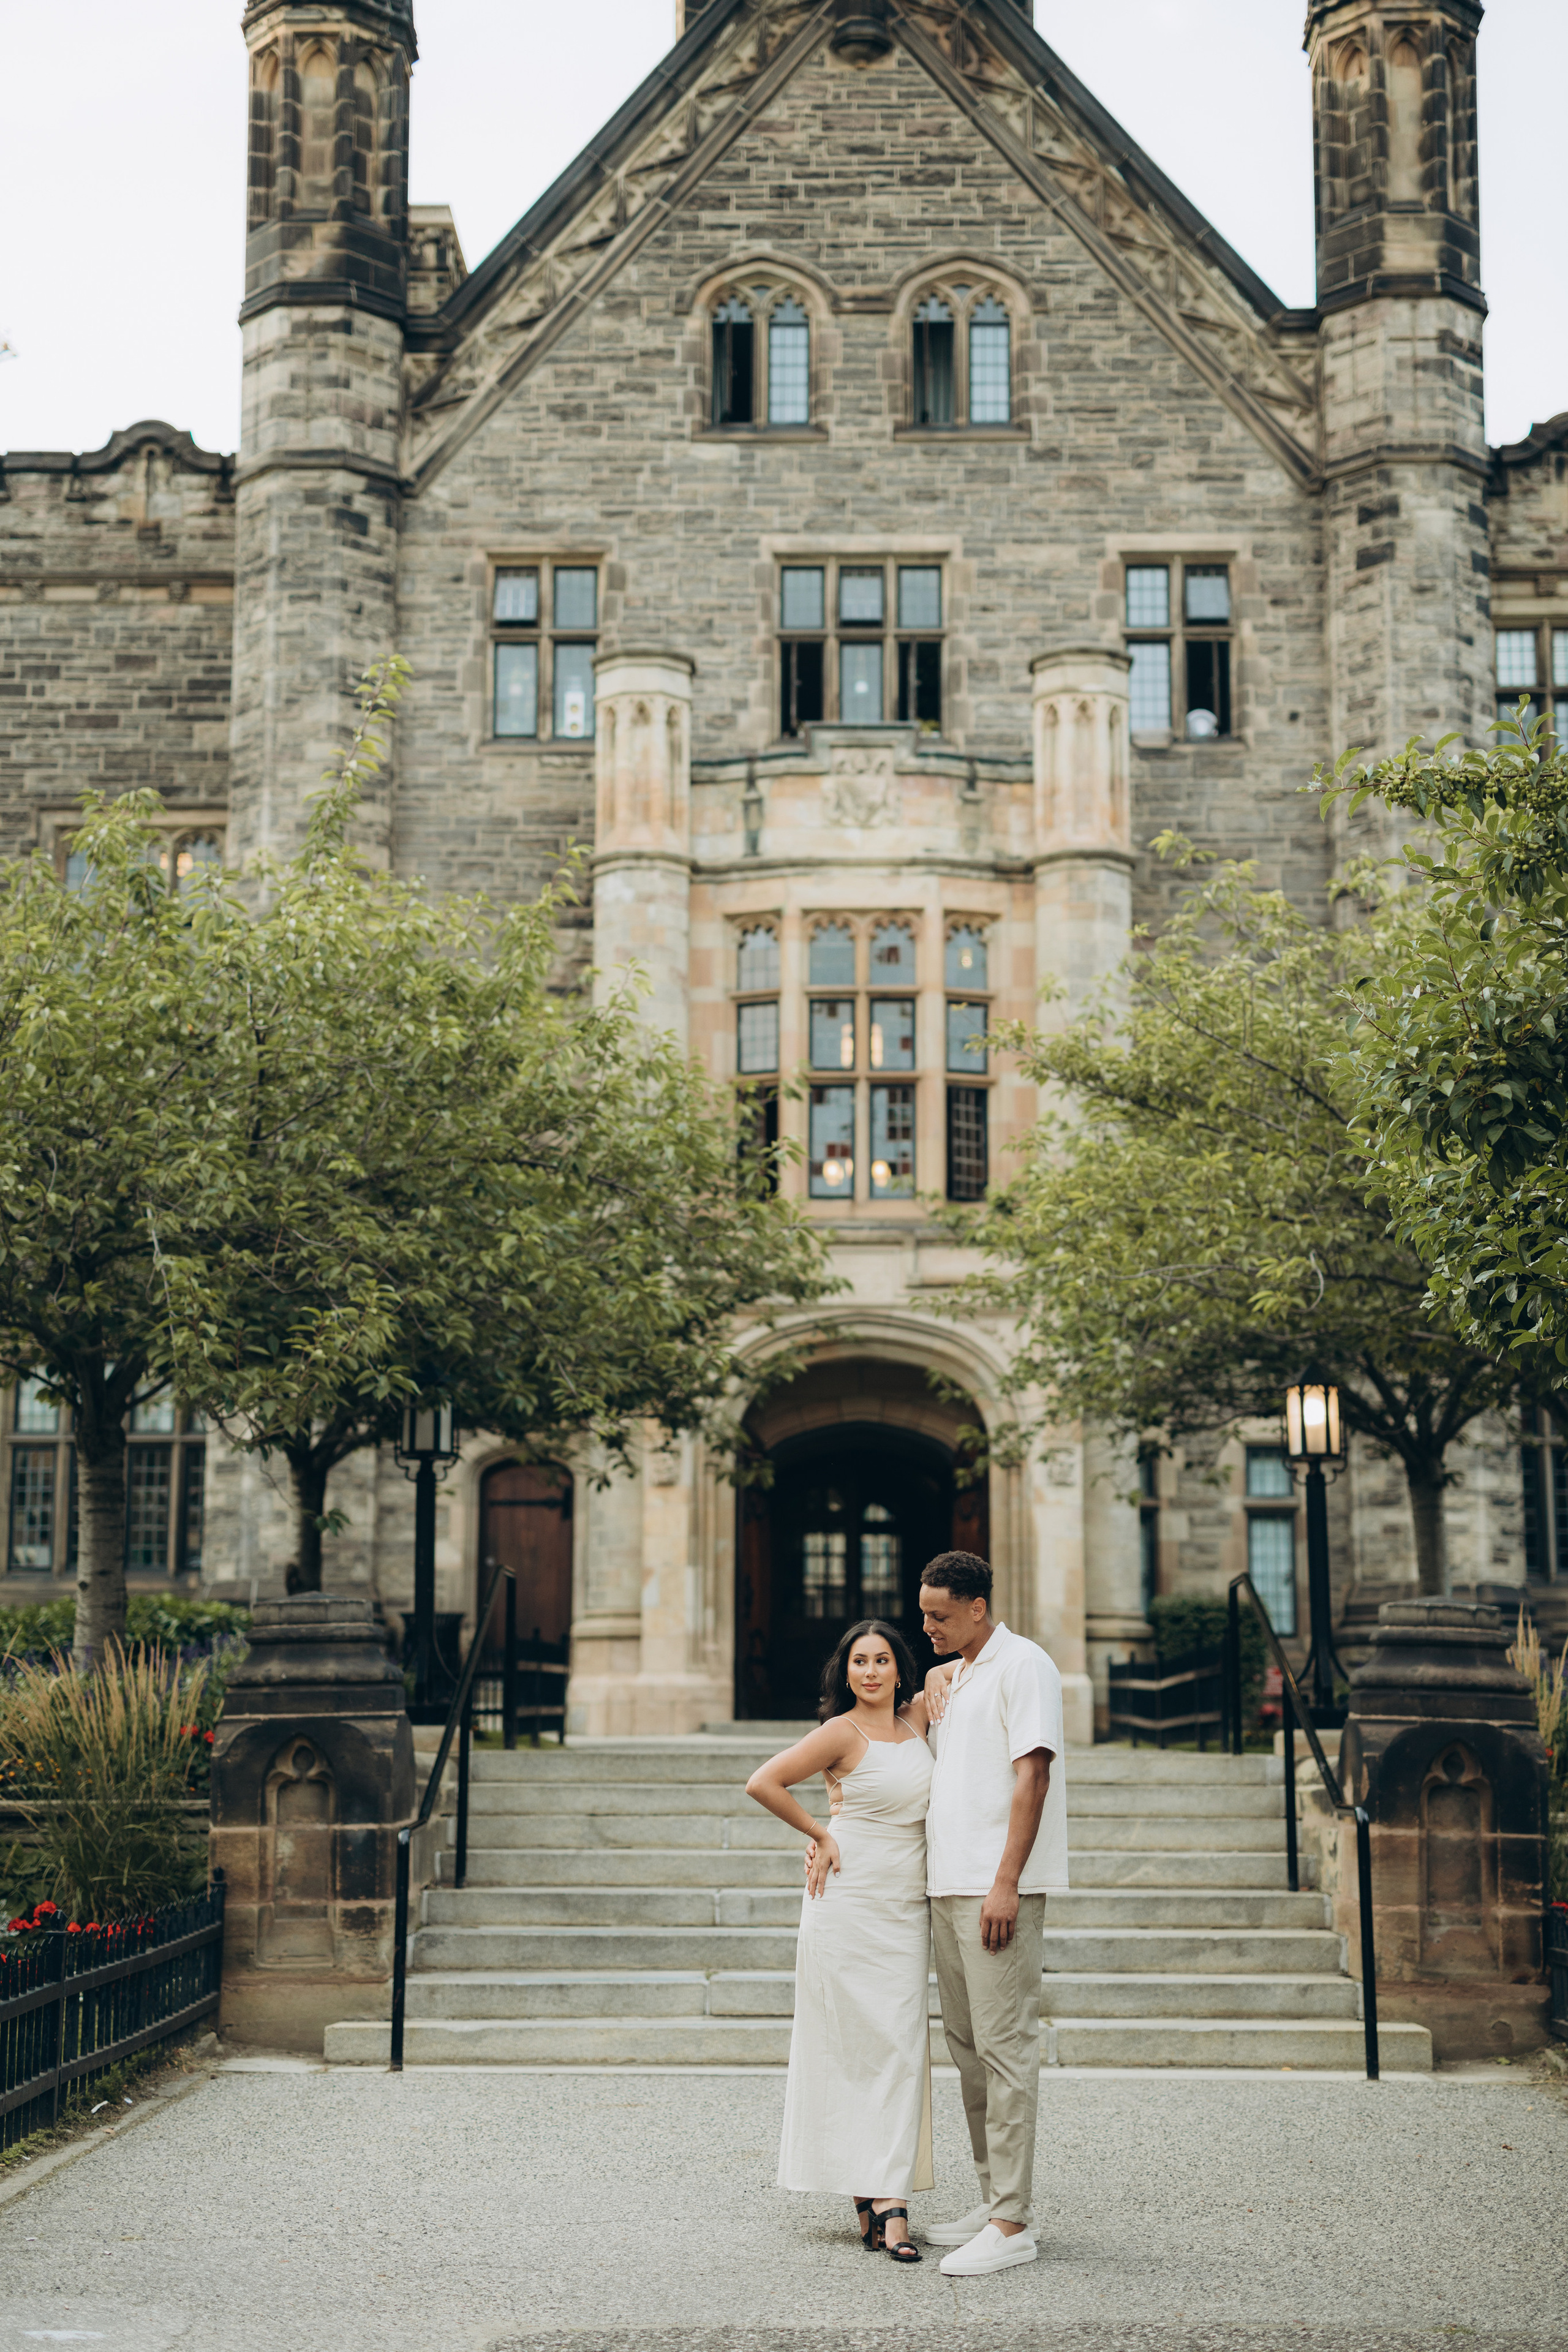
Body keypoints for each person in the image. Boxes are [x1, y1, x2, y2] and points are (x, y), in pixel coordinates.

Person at [745, 1619, 945, 2264]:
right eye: (859, 1661)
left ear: (898, 1668)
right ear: (845, 1670)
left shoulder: (918, 1720)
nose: (870, 1672)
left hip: (905, 1905)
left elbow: (956, 1668)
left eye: (882, 1660)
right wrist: (821, 1832)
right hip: (847, 1900)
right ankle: (888, 2201)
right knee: (853, 2049)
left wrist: (936, 1673)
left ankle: (879, 2188)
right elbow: (763, 1782)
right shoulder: (840, 1731)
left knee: (900, 2048)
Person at [917, 1550, 1068, 2277]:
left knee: (1005, 2050)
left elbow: (1031, 1774)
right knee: (967, 2048)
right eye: (923, 1615)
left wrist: (1006, 1882)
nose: (927, 1627)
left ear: (977, 1607)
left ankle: (1013, 2223)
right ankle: (990, 2198)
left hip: (993, 1887)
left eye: (938, 1616)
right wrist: (930, 1675)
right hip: (947, 1884)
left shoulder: (1024, 1664)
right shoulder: (957, 1674)